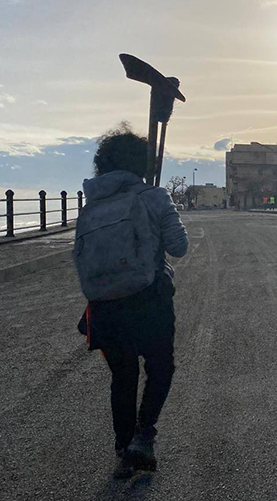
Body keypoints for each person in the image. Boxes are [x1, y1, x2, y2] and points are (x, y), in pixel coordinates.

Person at [74, 123, 188, 479]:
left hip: (103, 307)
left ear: (103, 165)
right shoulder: (153, 196)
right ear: (143, 163)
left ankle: (124, 447)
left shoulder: (91, 206)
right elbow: (179, 247)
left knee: (122, 377)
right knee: (160, 368)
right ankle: (143, 435)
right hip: (148, 300)